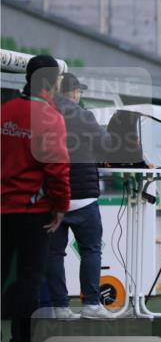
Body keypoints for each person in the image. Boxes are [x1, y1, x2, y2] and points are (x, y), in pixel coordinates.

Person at [1, 55, 70, 342]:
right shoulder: (51, 118)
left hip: (3, 209)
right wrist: (60, 207)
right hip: (33, 213)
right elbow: (57, 169)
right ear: (51, 83)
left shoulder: (4, 112)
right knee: (29, 280)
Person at [44, 73, 117, 320]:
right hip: (83, 197)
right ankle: (91, 305)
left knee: (54, 253)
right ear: (75, 93)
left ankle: (60, 307)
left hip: (52, 196)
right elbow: (106, 145)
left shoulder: (45, 114)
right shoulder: (84, 115)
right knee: (91, 250)